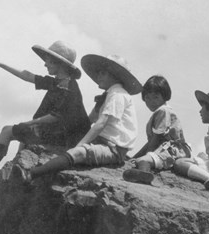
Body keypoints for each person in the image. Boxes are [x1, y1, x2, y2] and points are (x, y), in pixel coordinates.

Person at [0, 41, 90, 189]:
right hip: (54, 132)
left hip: (64, 137)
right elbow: (26, 75)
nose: (45, 64)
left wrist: (30, 123)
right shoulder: (57, 82)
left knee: (9, 131)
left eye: (49, 61)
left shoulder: (68, 87)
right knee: (13, 132)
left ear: (61, 64)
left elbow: (57, 116)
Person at [11, 54, 141, 184]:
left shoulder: (118, 94)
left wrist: (80, 145)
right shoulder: (109, 94)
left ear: (114, 76)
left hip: (113, 148)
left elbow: (101, 123)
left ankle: (30, 174)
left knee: (79, 152)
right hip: (102, 140)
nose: (98, 77)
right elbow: (90, 119)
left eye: (102, 73)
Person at [122, 75, 190, 185]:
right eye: (148, 98)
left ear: (165, 96)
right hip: (164, 149)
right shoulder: (159, 112)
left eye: (156, 97)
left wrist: (147, 155)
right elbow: (151, 140)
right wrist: (135, 157)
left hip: (172, 150)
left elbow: (158, 137)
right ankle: (143, 171)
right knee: (139, 159)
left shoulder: (163, 111)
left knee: (143, 160)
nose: (151, 101)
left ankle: (144, 174)